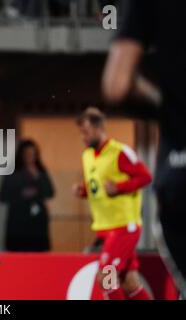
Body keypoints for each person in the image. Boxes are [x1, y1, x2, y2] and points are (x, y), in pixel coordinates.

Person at [102, 0, 186, 297]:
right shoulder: (91, 156)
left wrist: (169, 111)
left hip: (170, 183)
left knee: (113, 277)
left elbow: (116, 85)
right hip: (108, 230)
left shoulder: (120, 153)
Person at [72, 107, 153, 300]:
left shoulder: (120, 152)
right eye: (81, 133)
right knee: (130, 284)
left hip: (124, 228)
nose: (83, 137)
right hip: (106, 229)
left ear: (99, 128)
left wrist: (120, 187)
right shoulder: (87, 155)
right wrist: (83, 190)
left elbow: (145, 177)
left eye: (86, 131)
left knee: (105, 278)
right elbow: (97, 187)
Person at [0, 139, 55, 251]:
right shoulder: (13, 172)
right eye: (27, 154)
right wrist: (21, 194)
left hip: (37, 224)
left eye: (33, 154)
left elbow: (50, 192)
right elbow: (2, 196)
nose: (30, 157)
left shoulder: (40, 171)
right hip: (18, 224)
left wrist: (37, 177)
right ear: (21, 155)